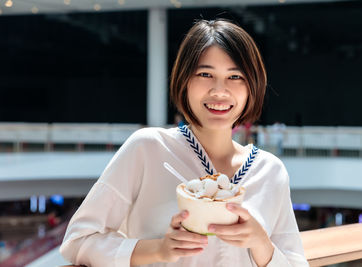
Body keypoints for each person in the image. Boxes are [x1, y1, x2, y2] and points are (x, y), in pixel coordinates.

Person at [60, 19, 308, 267]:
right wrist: (158, 249)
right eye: (205, 74)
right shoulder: (148, 149)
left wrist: (261, 243)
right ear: (184, 80)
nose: (219, 91)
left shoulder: (269, 171)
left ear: (252, 87)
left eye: (235, 76)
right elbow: (79, 240)